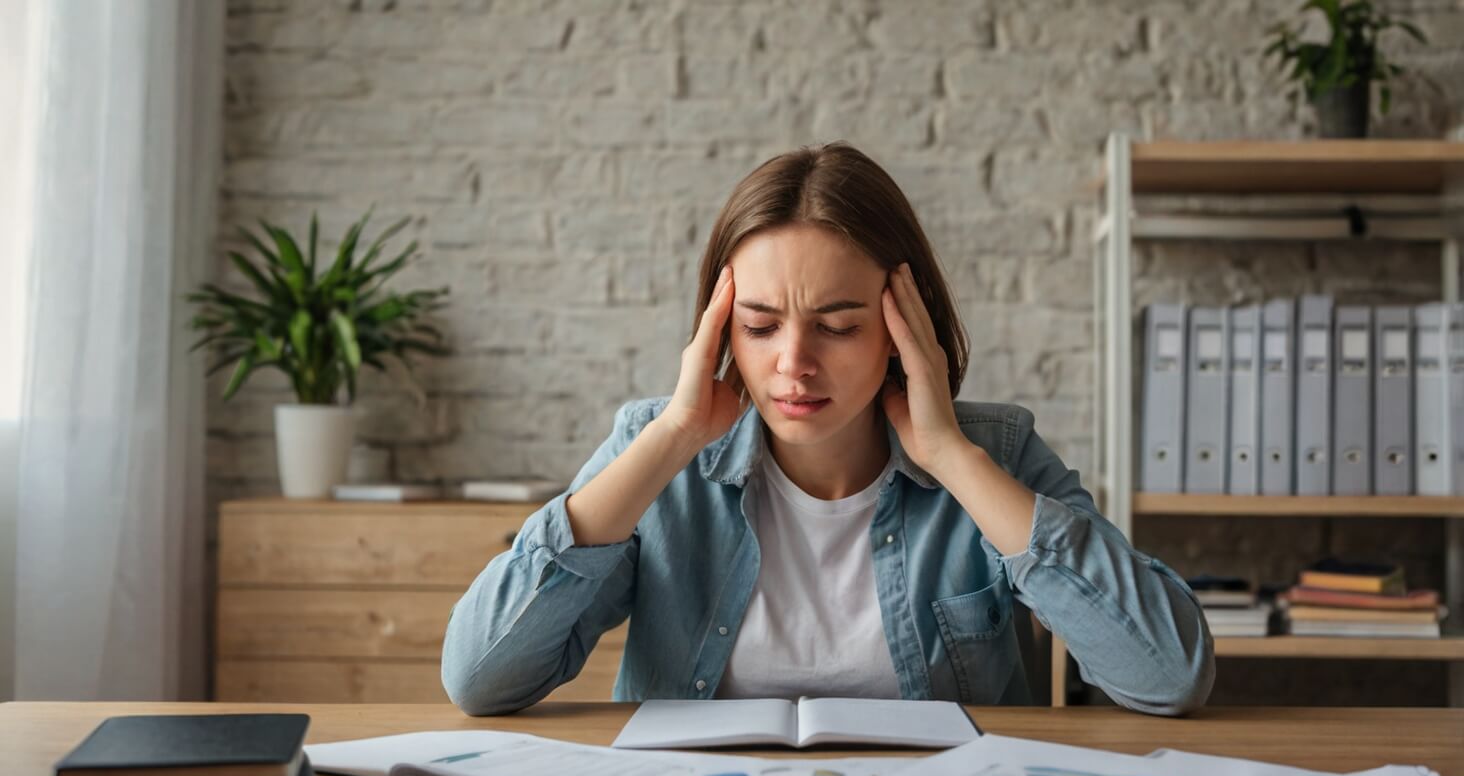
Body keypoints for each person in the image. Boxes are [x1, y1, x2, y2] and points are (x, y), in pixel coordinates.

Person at [441, 142, 1214, 716]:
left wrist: (950, 456)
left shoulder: (995, 450)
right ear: (720, 332)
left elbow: (1169, 676)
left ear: (902, 329)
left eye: (838, 327)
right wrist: (674, 435)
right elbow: (479, 679)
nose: (793, 364)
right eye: (760, 325)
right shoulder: (658, 448)